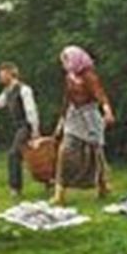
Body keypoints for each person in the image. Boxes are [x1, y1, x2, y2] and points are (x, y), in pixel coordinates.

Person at [51, 46, 115, 205]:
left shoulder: (89, 76)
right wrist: (61, 121)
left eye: (66, 60)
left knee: (95, 152)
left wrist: (107, 111)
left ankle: (103, 185)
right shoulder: (69, 76)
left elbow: (100, 94)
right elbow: (67, 99)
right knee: (65, 151)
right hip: (74, 117)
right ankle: (60, 193)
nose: (64, 64)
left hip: (90, 116)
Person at [0, 62, 40, 196]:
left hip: (25, 125)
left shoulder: (24, 89)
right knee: (24, 155)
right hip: (17, 126)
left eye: (2, 74)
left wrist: (35, 130)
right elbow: (2, 100)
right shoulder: (8, 90)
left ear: (11, 74)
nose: (0, 77)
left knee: (13, 154)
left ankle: (15, 188)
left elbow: (31, 110)